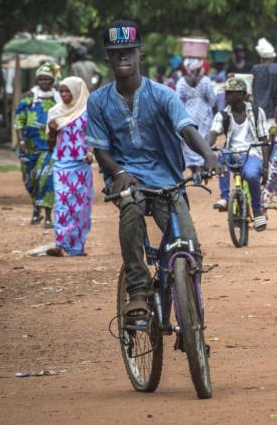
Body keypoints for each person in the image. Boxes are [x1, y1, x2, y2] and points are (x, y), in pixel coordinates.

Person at [86, 20, 221, 319]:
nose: (123, 57)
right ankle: (137, 291)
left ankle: (192, 320)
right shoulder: (97, 101)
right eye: (116, 53)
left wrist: (208, 154)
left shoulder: (163, 95)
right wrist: (119, 173)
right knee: (131, 210)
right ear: (108, 59)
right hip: (127, 180)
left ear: (140, 57)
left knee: (188, 245)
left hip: (167, 181)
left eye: (129, 52)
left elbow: (186, 128)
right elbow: (100, 149)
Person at [208, 78, 267, 229]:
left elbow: (264, 140)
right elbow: (213, 134)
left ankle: (257, 211)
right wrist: (206, 151)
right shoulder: (222, 115)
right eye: (226, 93)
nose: (226, 96)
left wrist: (265, 167)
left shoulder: (256, 112)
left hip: (252, 153)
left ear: (241, 95)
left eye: (230, 93)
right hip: (232, 153)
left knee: (252, 176)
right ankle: (225, 198)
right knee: (221, 155)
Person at [45, 77, 93, 256]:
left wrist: (91, 153)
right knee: (62, 203)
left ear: (78, 92)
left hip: (81, 166)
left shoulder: (88, 111)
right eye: (62, 91)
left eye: (68, 91)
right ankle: (61, 243)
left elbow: (93, 137)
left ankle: (77, 247)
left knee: (80, 207)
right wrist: (51, 130)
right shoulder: (55, 113)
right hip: (62, 165)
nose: (64, 95)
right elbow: (50, 144)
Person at [14, 62, 60, 226]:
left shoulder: (58, 98)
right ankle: (36, 210)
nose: (44, 82)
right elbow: (18, 121)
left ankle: (48, 216)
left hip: (49, 147)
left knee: (46, 178)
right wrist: (20, 141)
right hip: (28, 147)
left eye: (47, 79)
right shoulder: (28, 97)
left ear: (52, 81)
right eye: (41, 79)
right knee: (30, 180)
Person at [176, 58, 217, 173]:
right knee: (203, 138)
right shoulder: (206, 81)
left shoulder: (181, 82)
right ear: (199, 68)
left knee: (189, 139)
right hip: (203, 115)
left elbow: (178, 100)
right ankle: (202, 166)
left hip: (187, 114)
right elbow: (212, 100)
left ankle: (193, 170)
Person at [251, 37, 277, 131]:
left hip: (257, 108)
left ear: (261, 58)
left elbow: (251, 86)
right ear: (272, 57)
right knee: (272, 136)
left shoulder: (255, 69)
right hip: (272, 109)